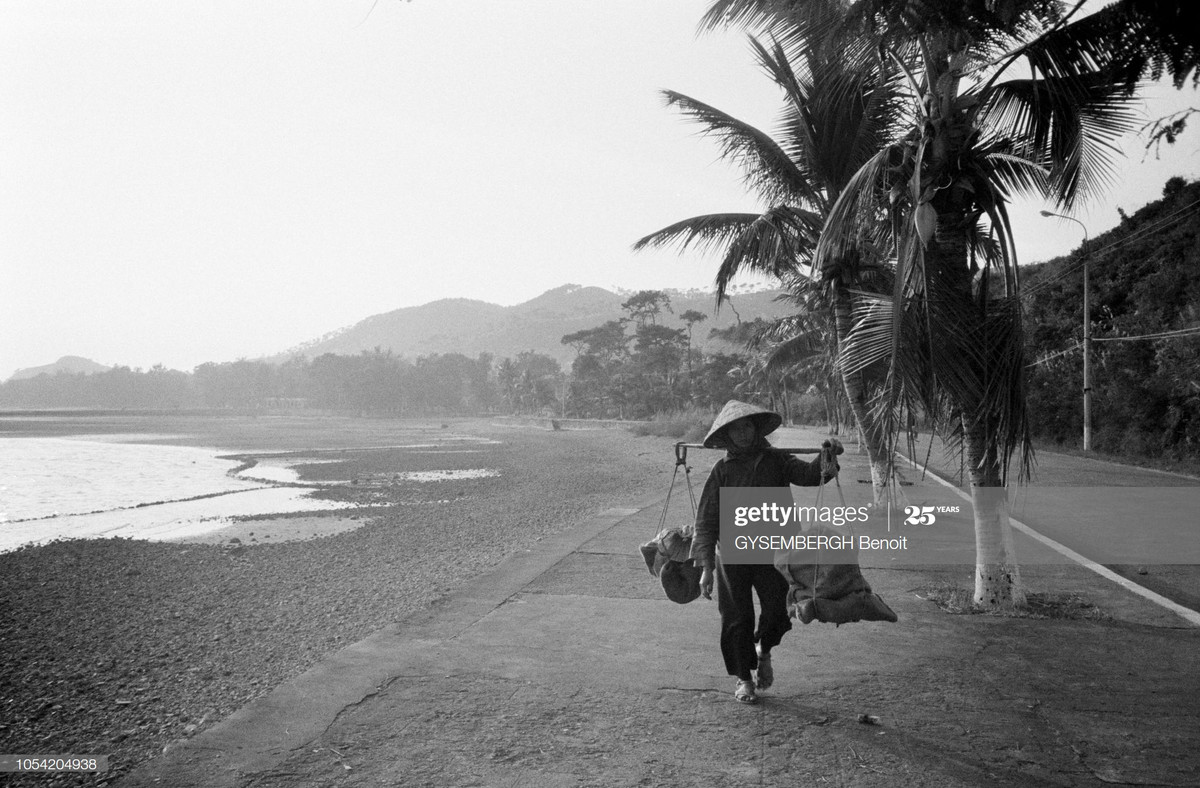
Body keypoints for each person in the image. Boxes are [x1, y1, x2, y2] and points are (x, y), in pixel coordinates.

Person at [691, 400, 843, 705]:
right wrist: (706, 567)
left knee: (778, 613)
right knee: (736, 619)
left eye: (747, 426)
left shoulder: (777, 461)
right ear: (728, 435)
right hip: (733, 554)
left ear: (756, 429)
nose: (743, 433)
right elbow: (706, 521)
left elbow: (812, 475)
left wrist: (827, 456)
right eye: (736, 428)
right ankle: (744, 678)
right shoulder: (722, 470)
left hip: (774, 552)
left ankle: (764, 649)